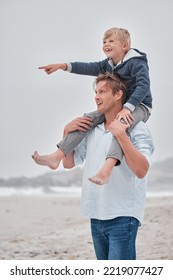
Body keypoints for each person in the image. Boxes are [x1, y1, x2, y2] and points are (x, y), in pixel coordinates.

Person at [32, 27, 152, 185]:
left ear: (125, 45)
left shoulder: (136, 63)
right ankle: (57, 156)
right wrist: (62, 66)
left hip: (140, 106)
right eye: (104, 41)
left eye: (111, 41)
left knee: (120, 126)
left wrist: (127, 108)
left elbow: (143, 86)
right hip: (119, 107)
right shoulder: (109, 65)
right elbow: (87, 67)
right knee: (86, 119)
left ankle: (107, 169)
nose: (106, 44)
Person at [62, 73, 154, 260]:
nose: (96, 96)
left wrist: (121, 135)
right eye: (96, 92)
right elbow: (68, 163)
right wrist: (66, 132)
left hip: (123, 215)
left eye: (102, 91)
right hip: (96, 214)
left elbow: (141, 170)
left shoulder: (138, 128)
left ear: (118, 94)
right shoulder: (93, 129)